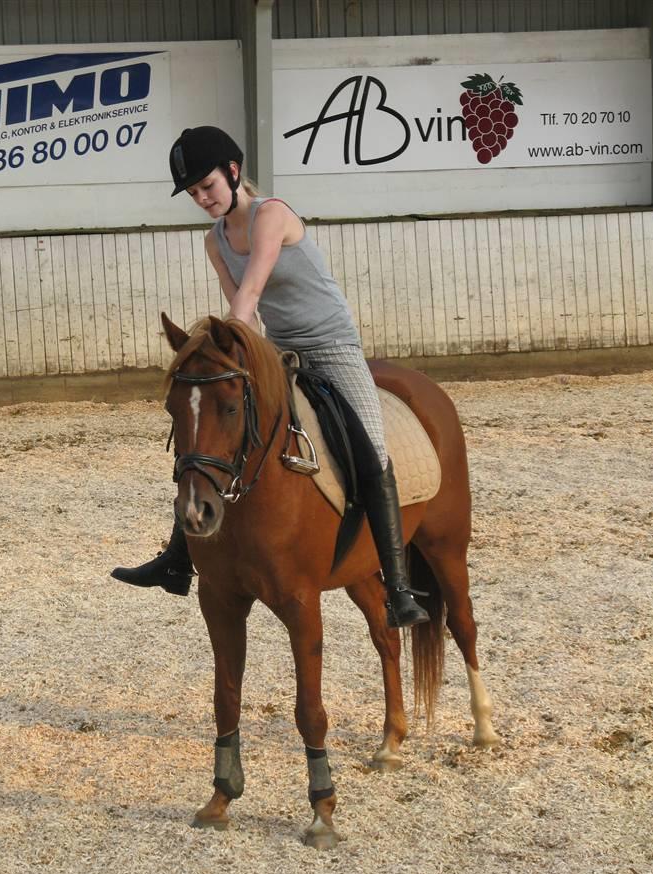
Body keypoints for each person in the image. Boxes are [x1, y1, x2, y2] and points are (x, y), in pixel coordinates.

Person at [112, 126, 428, 628]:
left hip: (332, 347)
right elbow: (250, 316)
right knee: (218, 431)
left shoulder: (272, 215)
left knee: (372, 447)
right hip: (279, 349)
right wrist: (237, 355)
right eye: (193, 193)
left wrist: (224, 340)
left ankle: (397, 588)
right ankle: (177, 558)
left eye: (207, 186)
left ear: (234, 172)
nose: (202, 198)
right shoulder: (215, 241)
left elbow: (251, 292)